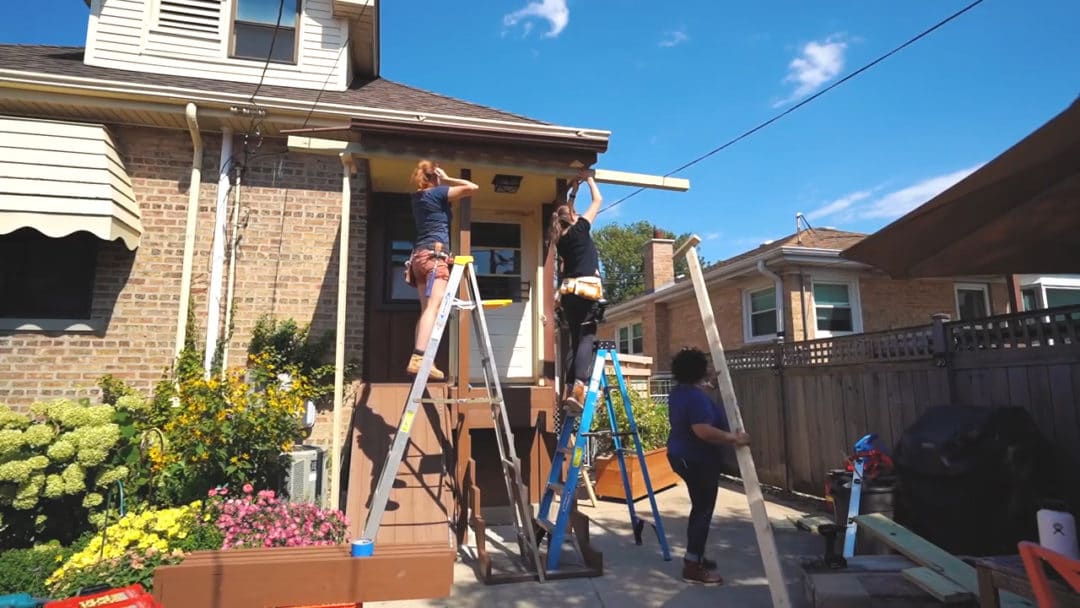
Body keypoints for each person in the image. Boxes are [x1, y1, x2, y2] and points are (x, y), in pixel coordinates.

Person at [666, 347, 752, 584]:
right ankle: (692, 567)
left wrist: (711, 385)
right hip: (696, 459)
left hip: (681, 456)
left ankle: (696, 557)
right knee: (703, 511)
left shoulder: (680, 392)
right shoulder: (695, 398)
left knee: (700, 508)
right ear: (699, 370)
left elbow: (697, 396)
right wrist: (734, 438)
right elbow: (702, 430)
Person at [405, 160, 479, 380]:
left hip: (419, 258)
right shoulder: (437, 193)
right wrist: (447, 179)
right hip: (434, 258)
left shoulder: (416, 198)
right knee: (434, 309)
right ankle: (419, 357)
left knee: (427, 309)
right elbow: (471, 187)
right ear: (434, 176)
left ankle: (425, 359)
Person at [549, 168, 604, 412]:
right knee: (587, 338)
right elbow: (598, 200)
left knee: (574, 340)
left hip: (569, 294)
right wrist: (589, 178)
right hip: (586, 291)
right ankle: (580, 386)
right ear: (572, 217)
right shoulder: (581, 229)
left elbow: (566, 210)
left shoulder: (560, 238)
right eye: (575, 212)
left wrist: (574, 190)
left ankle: (570, 390)